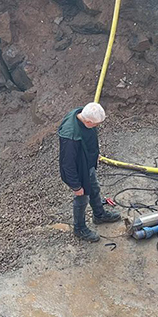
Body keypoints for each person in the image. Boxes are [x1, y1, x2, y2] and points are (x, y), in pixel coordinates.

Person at [58, 102, 122, 241]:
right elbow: (67, 164)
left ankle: (99, 215)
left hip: (87, 164)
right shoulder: (70, 136)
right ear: (87, 121)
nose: (97, 126)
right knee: (82, 198)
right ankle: (79, 228)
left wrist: (95, 155)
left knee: (94, 188)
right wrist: (76, 185)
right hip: (80, 170)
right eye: (95, 124)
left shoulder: (80, 113)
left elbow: (90, 138)